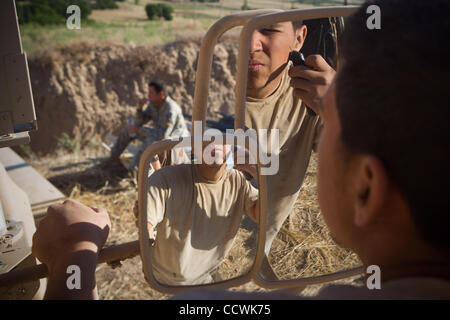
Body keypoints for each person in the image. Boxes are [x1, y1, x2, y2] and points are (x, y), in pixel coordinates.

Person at [31, 0, 450, 299]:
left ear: (367, 187)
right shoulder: (220, 118)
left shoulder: (307, 99)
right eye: (249, 30)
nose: (252, 44)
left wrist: (73, 255)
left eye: (268, 29)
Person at [245, 19, 334, 277]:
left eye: (269, 29)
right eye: (243, 29)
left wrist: (339, 108)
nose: (251, 45)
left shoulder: (312, 97)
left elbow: (360, 170)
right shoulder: (205, 86)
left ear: (299, 38)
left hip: (261, 238)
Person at [142, 141, 258, 285]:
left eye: (221, 138)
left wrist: (259, 173)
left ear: (231, 148)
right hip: (169, 278)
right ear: (195, 146)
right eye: (207, 138)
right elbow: (146, 223)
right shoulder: (165, 178)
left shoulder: (238, 181)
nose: (214, 143)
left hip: (207, 276)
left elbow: (260, 215)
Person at [103, 81, 189, 170]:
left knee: (150, 141)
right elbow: (140, 122)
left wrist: (139, 130)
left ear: (161, 94)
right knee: (128, 129)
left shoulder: (170, 109)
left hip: (176, 141)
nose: (148, 96)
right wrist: (140, 109)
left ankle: (135, 170)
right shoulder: (154, 105)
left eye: (151, 93)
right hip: (159, 136)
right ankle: (112, 160)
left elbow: (163, 134)